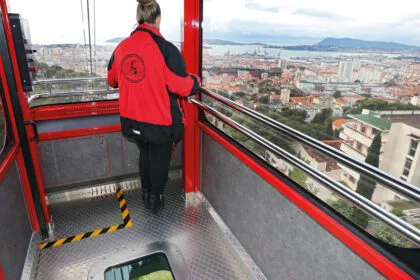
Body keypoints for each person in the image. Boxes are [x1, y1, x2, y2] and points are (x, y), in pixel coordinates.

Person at [107, 0, 200, 214]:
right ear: (158, 19)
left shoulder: (121, 47)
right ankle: (155, 200)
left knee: (146, 154)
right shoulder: (165, 49)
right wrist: (196, 81)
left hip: (131, 120)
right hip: (159, 121)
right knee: (158, 159)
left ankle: (146, 193)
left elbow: (112, 79)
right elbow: (182, 86)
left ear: (138, 19)